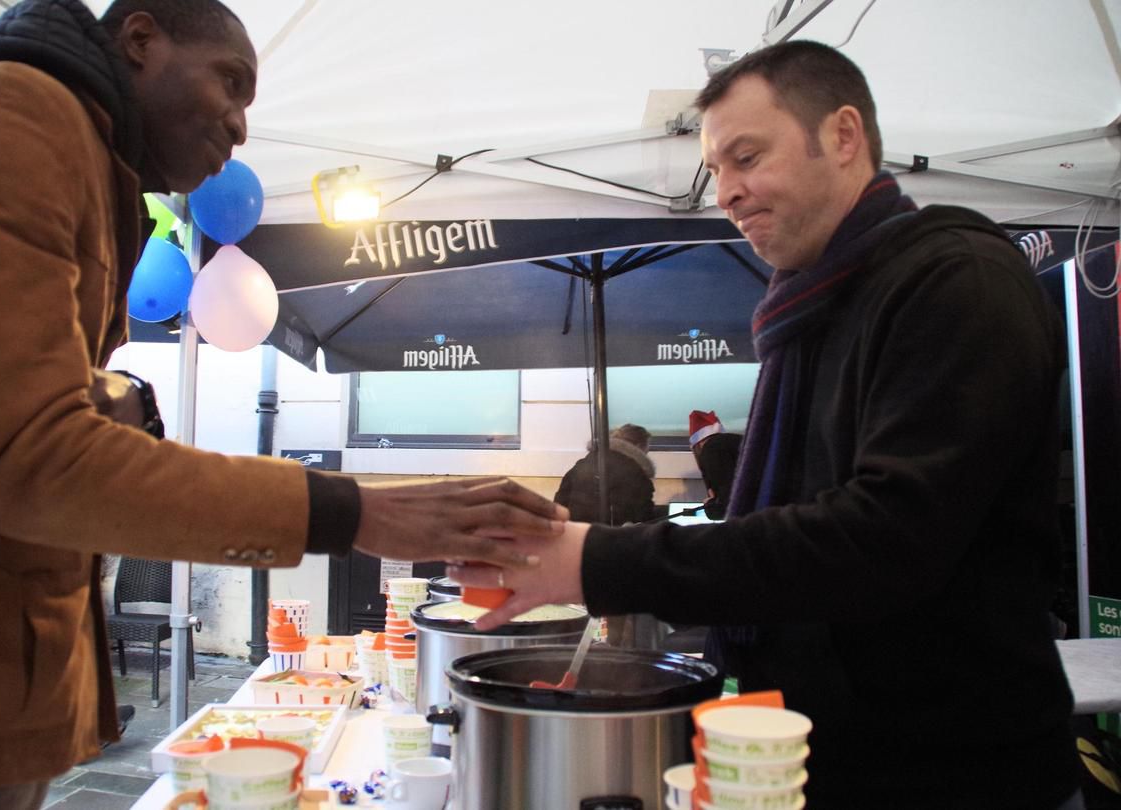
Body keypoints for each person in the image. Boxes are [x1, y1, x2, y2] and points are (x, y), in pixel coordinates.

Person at [0, 0, 566, 805]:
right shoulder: (9, 119)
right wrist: (353, 512)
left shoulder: (72, 151)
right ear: (140, 39)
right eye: (232, 82)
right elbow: (33, 457)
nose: (241, 126)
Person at [452, 40, 1080, 809]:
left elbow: (884, 541)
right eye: (716, 170)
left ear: (844, 136)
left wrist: (598, 561)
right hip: (814, 762)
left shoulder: (958, 282)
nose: (728, 193)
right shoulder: (809, 307)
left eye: (747, 157)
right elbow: (790, 528)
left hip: (959, 776)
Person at [554, 423, 657, 525]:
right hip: (610, 535)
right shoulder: (637, 475)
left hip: (576, 531)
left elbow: (560, 501)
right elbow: (643, 516)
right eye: (646, 450)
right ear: (639, 447)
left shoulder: (584, 463)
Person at [688, 408, 743, 520]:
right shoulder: (736, 442)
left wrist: (710, 505)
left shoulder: (712, 449)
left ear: (696, 444)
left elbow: (728, 503)